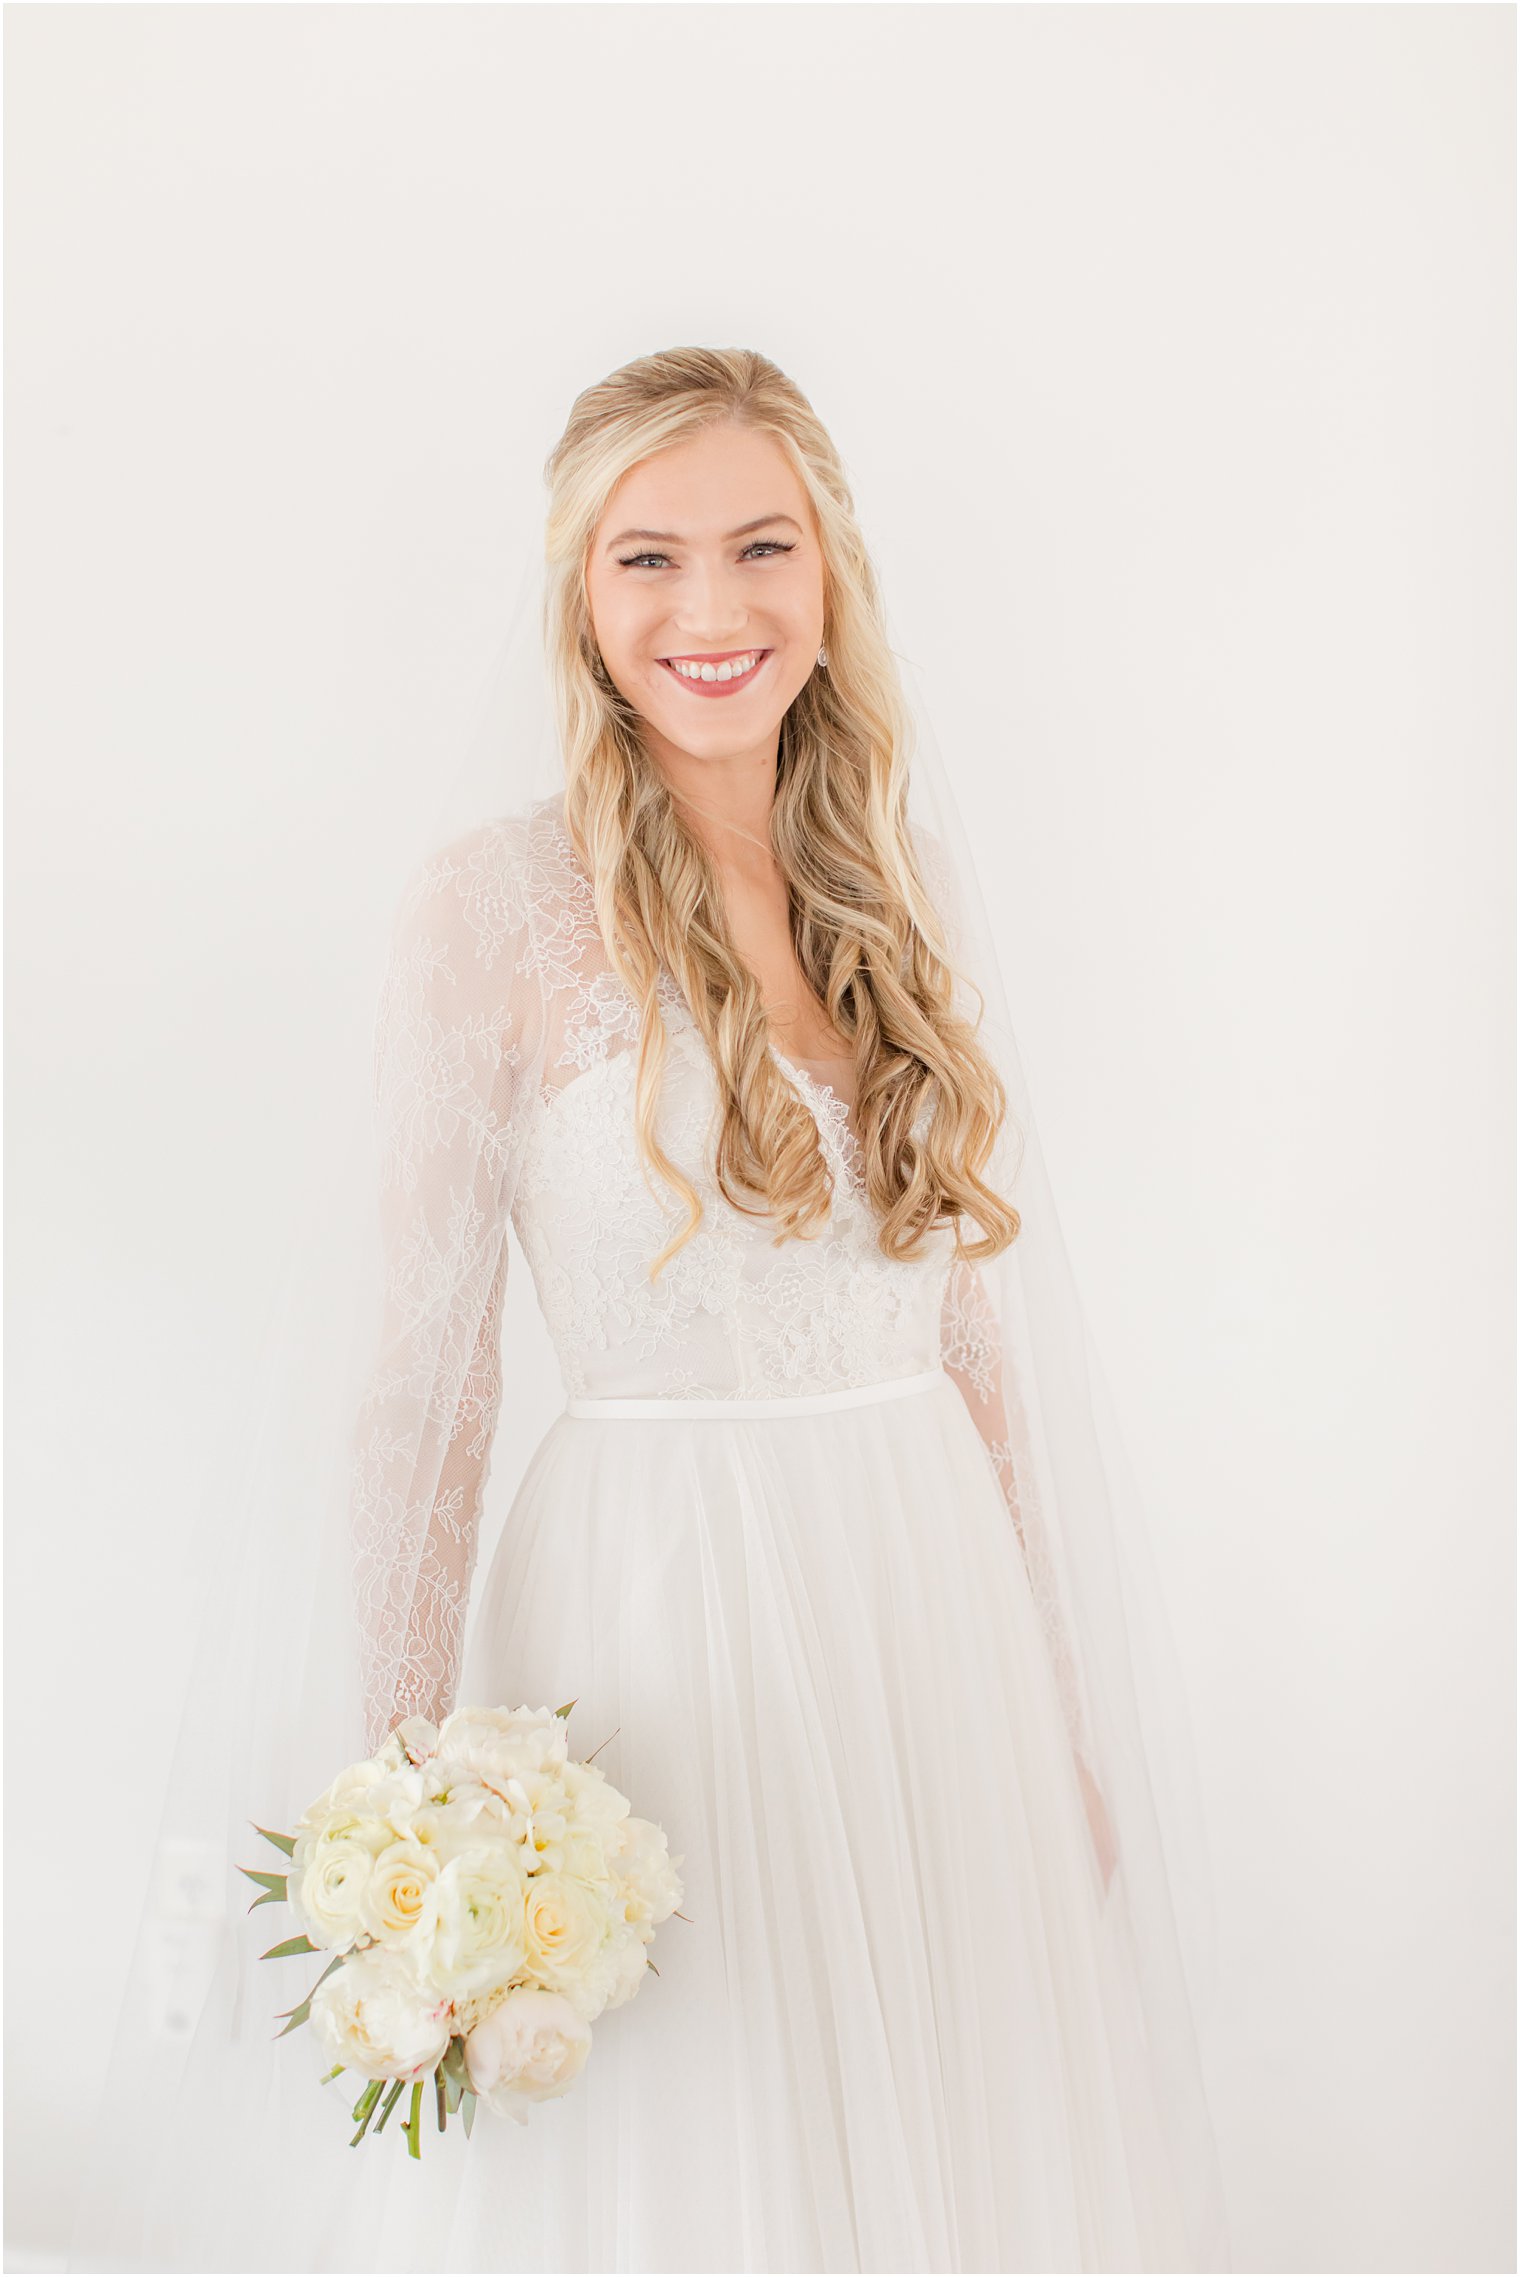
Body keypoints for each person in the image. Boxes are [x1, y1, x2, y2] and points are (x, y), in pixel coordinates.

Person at [65, 346, 1231, 2275]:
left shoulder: (901, 888)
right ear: (580, 599)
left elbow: (973, 1336)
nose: (713, 610)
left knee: (941, 2128)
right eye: (649, 558)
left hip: (922, 1605)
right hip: (654, 1617)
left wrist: (1053, 1700)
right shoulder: (491, 908)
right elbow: (420, 1381)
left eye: (761, 547)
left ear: (831, 575)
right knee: (694, 2130)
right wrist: (409, 1760)